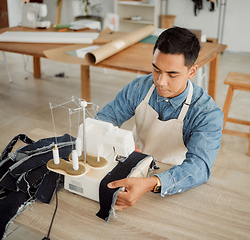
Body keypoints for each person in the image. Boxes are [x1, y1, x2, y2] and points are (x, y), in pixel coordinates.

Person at [95, 26, 223, 210]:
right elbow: (104, 119)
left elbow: (199, 168)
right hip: (134, 165)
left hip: (173, 179)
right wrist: (118, 137)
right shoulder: (139, 87)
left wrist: (150, 183)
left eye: (172, 74)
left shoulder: (206, 113)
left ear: (192, 72)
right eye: (156, 69)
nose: (160, 82)